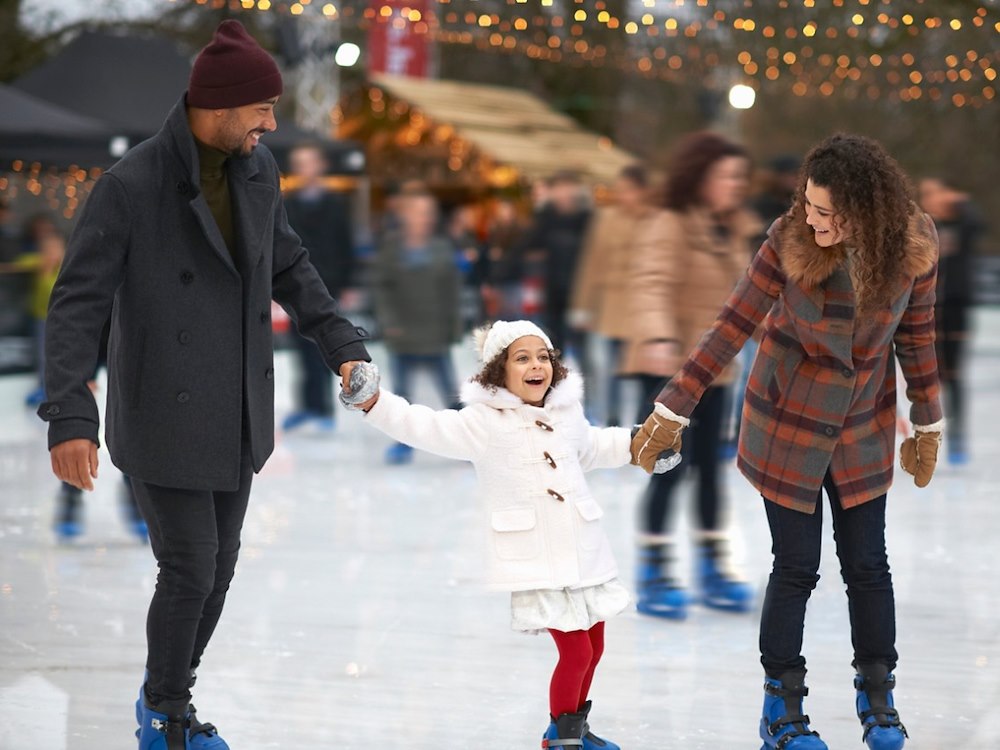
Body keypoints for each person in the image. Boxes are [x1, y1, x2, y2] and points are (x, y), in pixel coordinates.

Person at [38, 21, 374, 749]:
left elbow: (289, 265)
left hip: (239, 409)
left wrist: (341, 343)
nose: (272, 124)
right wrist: (69, 414)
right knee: (189, 569)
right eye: (262, 109)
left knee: (217, 572)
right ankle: (163, 715)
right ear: (219, 105)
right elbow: (77, 303)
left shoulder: (258, 172)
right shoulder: (130, 186)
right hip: (163, 410)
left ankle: (171, 701)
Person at [631, 133, 942, 750]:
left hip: (860, 426)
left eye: (826, 211)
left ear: (864, 211)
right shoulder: (788, 239)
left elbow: (918, 337)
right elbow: (734, 322)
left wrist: (927, 417)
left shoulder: (912, 247)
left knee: (868, 565)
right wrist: (674, 405)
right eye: (807, 203)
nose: (811, 218)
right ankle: (782, 707)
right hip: (787, 423)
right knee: (797, 567)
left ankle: (877, 696)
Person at [357, 320, 640, 750]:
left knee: (595, 647)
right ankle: (561, 742)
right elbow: (422, 424)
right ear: (498, 370)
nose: (536, 366)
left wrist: (637, 443)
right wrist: (374, 402)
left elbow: (593, 448)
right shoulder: (483, 423)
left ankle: (571, 730)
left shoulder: (566, 413)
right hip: (538, 556)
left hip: (582, 548)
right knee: (576, 652)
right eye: (522, 358)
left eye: (543, 357)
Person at [621, 133, 760, 619]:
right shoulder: (670, 223)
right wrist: (658, 337)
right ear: (700, 177)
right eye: (726, 175)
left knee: (709, 477)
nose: (735, 185)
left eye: (740, 176)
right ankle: (655, 571)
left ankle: (711, 566)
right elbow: (650, 282)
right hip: (670, 374)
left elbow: (748, 301)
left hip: (716, 375)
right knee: (669, 471)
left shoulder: (735, 230)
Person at [372, 190, 462, 464]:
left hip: (434, 333)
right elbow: (382, 290)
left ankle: (466, 441)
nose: (422, 218)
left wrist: (453, 327)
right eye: (417, 212)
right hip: (403, 334)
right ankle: (403, 443)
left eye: (427, 213)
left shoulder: (442, 249)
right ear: (404, 216)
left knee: (451, 394)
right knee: (402, 396)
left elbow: (452, 291)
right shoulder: (392, 248)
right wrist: (389, 323)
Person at [570, 164, 658, 426]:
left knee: (639, 371)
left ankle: (643, 423)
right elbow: (592, 263)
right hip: (610, 307)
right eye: (620, 190)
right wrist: (582, 306)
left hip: (641, 309)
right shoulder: (605, 219)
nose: (623, 196)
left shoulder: (655, 219)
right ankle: (611, 419)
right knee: (607, 368)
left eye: (629, 190)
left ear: (642, 191)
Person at [282, 142, 357, 433]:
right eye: (299, 163)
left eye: (309, 162)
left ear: (320, 165)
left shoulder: (335, 204)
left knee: (323, 345)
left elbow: (345, 245)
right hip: (295, 285)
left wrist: (348, 283)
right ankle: (307, 405)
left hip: (327, 284)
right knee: (301, 347)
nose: (305, 169)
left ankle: (323, 407)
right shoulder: (288, 203)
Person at [918, 177, 984, 465]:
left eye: (936, 193)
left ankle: (957, 434)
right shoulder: (923, 227)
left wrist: (961, 202)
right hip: (928, 308)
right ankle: (928, 435)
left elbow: (979, 224)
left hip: (956, 306)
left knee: (955, 375)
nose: (931, 199)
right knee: (929, 375)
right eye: (926, 194)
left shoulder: (964, 223)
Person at [522, 171, 592, 355]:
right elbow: (527, 246)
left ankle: (587, 383)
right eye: (559, 189)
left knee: (585, 354)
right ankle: (556, 382)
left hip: (581, 296)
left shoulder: (588, 218)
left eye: (567, 189)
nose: (563, 194)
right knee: (554, 350)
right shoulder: (546, 217)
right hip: (553, 295)